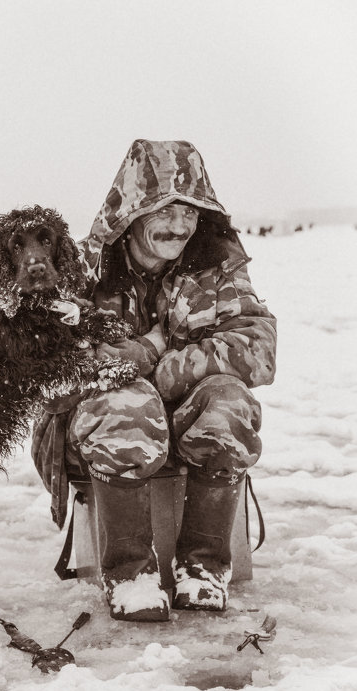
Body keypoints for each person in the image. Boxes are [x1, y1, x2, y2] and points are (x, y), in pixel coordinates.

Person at [32, 139, 276, 622]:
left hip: (181, 421)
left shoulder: (212, 269)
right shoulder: (81, 271)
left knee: (229, 403)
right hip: (93, 437)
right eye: (164, 208)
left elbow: (258, 349)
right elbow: (52, 370)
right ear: (131, 212)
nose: (180, 224)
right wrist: (148, 350)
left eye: (190, 210)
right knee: (128, 404)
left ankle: (204, 568)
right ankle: (129, 573)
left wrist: (161, 364)